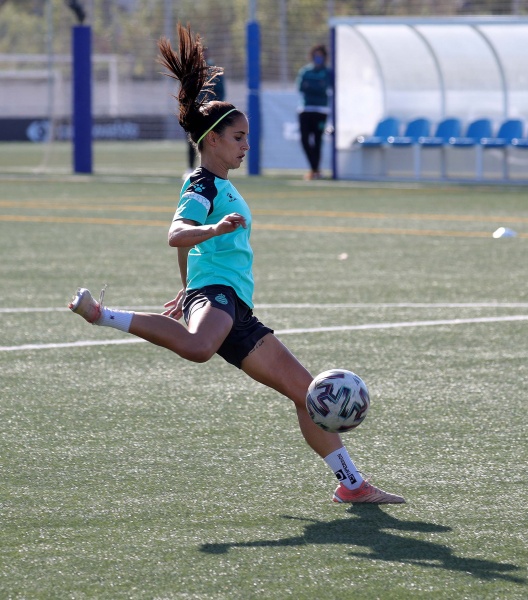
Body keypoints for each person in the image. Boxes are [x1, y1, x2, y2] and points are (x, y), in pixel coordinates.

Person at [68, 23, 404, 506]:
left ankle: (351, 484)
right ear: (212, 140)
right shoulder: (202, 185)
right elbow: (177, 235)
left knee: (309, 394)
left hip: (234, 308)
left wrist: (186, 289)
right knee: (199, 347)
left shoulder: (220, 185)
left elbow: (187, 251)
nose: (246, 145)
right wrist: (212, 239)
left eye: (248, 137)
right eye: (239, 137)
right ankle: (103, 314)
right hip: (219, 297)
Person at [296, 44, 333, 180]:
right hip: (305, 110)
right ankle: (314, 169)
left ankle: (315, 170)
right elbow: (301, 87)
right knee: (305, 140)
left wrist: (312, 87)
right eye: (316, 55)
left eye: (320, 56)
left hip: (321, 111)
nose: (318, 58)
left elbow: (324, 88)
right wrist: (317, 87)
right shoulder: (305, 71)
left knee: (318, 140)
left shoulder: (328, 72)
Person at [186, 46, 225, 174]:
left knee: (212, 140)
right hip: (195, 111)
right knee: (193, 140)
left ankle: (212, 168)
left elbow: (221, 91)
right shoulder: (191, 71)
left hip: (210, 112)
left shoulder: (214, 70)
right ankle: (191, 168)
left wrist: (215, 107)